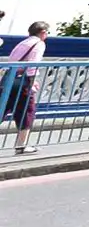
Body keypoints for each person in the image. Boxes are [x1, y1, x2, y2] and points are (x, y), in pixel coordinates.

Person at [4, 21, 49, 155]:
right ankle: (21, 145)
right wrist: (33, 82)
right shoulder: (39, 44)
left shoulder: (22, 43)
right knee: (27, 111)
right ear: (43, 33)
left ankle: (21, 145)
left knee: (3, 108)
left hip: (10, 79)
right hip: (23, 82)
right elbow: (33, 63)